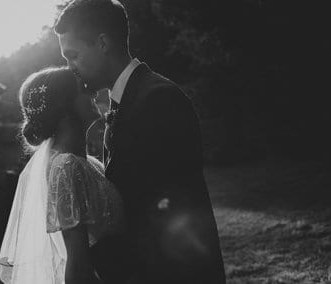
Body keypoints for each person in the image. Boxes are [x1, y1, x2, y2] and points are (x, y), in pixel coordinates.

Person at [54, 0, 226, 283]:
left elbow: (168, 213)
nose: (70, 68)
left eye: (73, 56)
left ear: (102, 43)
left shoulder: (158, 99)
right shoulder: (126, 101)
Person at [0, 67, 123, 284]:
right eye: (83, 89)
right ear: (65, 107)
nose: (93, 92)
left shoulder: (87, 164)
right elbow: (78, 270)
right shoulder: (66, 168)